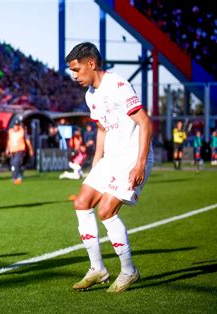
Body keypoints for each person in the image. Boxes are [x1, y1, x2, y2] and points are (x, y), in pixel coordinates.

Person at [65, 42, 153, 293]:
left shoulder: (118, 85)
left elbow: (145, 124)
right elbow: (102, 129)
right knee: (82, 202)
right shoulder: (90, 95)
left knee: (106, 210)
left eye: (77, 69)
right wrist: (96, 164)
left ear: (91, 64)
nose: (74, 75)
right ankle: (98, 269)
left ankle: (129, 271)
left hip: (131, 157)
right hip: (110, 159)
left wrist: (140, 164)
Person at [6, 118, 33, 184]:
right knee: (13, 164)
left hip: (20, 150)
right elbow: (9, 141)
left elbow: (27, 141)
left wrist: (30, 149)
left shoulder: (22, 131)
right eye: (15, 125)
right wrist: (7, 149)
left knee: (16, 163)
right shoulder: (10, 131)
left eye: (17, 125)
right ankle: (19, 174)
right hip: (12, 150)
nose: (16, 126)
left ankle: (16, 178)